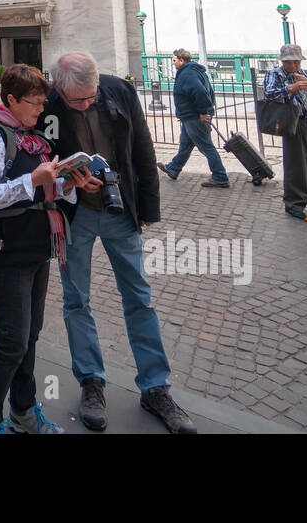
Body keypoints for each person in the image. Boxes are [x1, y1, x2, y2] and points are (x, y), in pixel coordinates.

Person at [39, 52, 197, 434]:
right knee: (77, 300)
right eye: (78, 100)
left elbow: (142, 149)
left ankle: (155, 387)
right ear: (59, 87)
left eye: (91, 95)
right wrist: (68, 179)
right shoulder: (46, 102)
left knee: (139, 298)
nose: (87, 103)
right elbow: (38, 158)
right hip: (73, 215)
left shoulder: (119, 90)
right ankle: (91, 381)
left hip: (119, 210)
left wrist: (149, 206)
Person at [0, 64, 89, 433]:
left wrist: (70, 183)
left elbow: (43, 191)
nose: (41, 109)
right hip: (6, 250)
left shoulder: (33, 137)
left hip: (37, 246)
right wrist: (31, 179)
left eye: (42, 102)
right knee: (11, 341)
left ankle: (23, 410)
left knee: (29, 337)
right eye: (34, 103)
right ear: (10, 99)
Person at [264, 44, 307, 220]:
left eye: (297, 62)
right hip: (292, 122)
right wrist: (290, 88)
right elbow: (269, 94)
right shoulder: (275, 74)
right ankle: (295, 203)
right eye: (290, 62)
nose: (294, 66)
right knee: (296, 165)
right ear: (283, 62)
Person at [157, 49, 229, 188]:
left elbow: (200, 92)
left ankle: (220, 176)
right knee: (185, 145)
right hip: (190, 117)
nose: (173, 63)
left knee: (206, 147)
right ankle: (174, 168)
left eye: (174, 60)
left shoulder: (188, 73)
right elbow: (208, 91)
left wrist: (203, 112)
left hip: (195, 117)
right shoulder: (194, 71)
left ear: (181, 60)